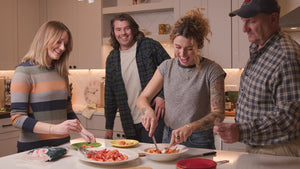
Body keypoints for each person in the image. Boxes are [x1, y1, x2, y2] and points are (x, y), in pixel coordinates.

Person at [214, 0, 300, 157]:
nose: (244, 29)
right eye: (243, 21)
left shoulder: (286, 57)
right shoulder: (259, 49)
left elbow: (290, 118)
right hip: (260, 146)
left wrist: (242, 131)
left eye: (251, 21)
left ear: (273, 19)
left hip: (280, 150)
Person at [136, 8, 226, 149]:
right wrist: (148, 111)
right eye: (178, 47)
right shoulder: (166, 67)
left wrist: (190, 127)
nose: (182, 54)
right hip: (169, 136)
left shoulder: (212, 70)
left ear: (200, 44)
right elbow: (142, 98)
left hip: (199, 140)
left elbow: (219, 114)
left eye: (189, 48)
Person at [10, 20, 96, 152]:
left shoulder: (61, 72)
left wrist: (82, 130)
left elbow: (68, 111)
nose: (63, 48)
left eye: (65, 44)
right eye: (58, 42)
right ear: (44, 39)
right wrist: (54, 129)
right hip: (34, 150)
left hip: (63, 147)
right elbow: (17, 118)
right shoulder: (24, 71)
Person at [104, 13, 170, 143]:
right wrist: (109, 127)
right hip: (129, 122)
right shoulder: (112, 58)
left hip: (153, 117)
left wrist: (162, 96)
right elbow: (109, 95)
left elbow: (171, 71)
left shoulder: (149, 46)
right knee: (135, 159)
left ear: (133, 29)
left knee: (153, 157)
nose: (123, 33)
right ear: (113, 33)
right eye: (118, 29)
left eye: (127, 28)